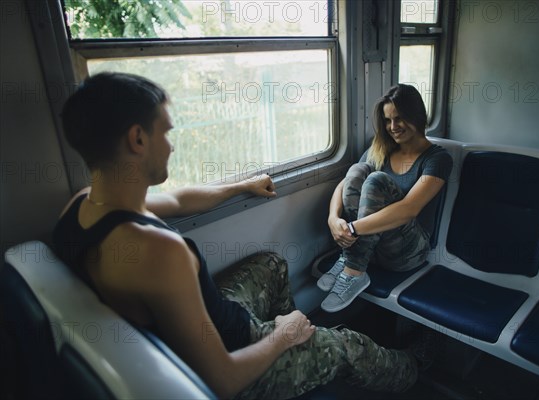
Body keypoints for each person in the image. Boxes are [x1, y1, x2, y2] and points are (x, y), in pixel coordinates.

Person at [52, 72, 421, 399]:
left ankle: (302, 353)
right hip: (235, 366)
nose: (172, 144)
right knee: (348, 346)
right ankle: (413, 368)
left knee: (271, 265)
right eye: (165, 131)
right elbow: (223, 381)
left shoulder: (83, 205)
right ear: (137, 139)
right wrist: (283, 336)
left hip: (217, 326)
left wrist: (243, 185)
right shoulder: (159, 251)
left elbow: (179, 199)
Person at [318, 84, 453, 313]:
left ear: (417, 116)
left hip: (409, 250)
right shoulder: (383, 149)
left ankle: (353, 271)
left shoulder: (437, 158)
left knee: (376, 180)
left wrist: (351, 228)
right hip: (372, 246)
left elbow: (409, 209)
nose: (393, 127)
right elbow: (345, 184)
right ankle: (351, 257)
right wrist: (333, 219)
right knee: (357, 171)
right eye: (388, 120)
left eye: (399, 119)